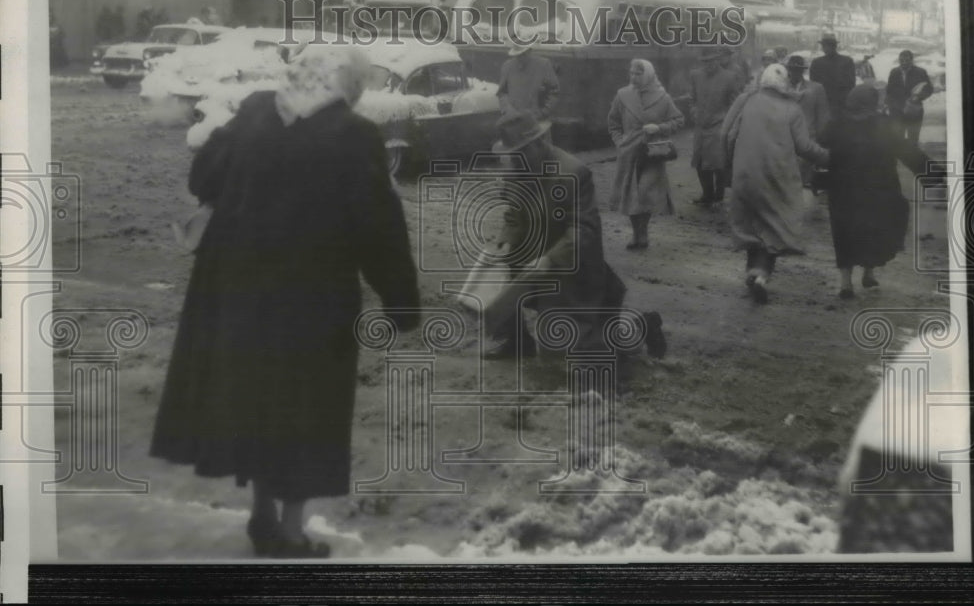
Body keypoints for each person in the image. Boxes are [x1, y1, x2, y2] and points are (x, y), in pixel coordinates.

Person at [150, 47, 421, 558]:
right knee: (307, 409)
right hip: (309, 296)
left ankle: (260, 517)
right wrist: (402, 304)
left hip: (236, 292)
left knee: (258, 402)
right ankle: (292, 533)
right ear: (345, 89)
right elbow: (379, 228)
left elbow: (201, 179)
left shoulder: (254, 109)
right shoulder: (353, 135)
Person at [487, 111, 649, 358]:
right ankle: (517, 341)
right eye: (512, 155)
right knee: (498, 273)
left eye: (519, 153)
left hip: (572, 264)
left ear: (539, 143)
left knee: (567, 349)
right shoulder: (516, 172)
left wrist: (549, 260)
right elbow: (514, 215)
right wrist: (504, 242)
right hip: (535, 257)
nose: (515, 161)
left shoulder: (574, 173)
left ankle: (635, 330)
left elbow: (584, 229)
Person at [723, 64, 829, 304]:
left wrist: (731, 164)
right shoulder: (792, 108)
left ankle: (753, 271)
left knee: (751, 226)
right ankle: (761, 275)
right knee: (774, 226)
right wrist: (828, 157)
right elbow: (804, 146)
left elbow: (728, 136)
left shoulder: (747, 101)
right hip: (777, 176)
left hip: (745, 173)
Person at [819, 84, 937, 299]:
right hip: (878, 189)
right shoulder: (884, 124)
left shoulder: (838, 123)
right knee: (873, 229)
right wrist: (934, 174)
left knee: (844, 232)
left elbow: (820, 142)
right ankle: (869, 272)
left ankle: (846, 284)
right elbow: (907, 150)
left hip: (844, 190)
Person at [607, 59, 685, 250]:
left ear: (648, 75)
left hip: (652, 153)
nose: (634, 77)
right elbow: (613, 122)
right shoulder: (622, 95)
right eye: (631, 73)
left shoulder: (662, 97)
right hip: (629, 153)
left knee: (645, 193)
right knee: (633, 195)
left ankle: (643, 232)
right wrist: (620, 142)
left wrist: (659, 127)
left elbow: (679, 120)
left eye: (638, 74)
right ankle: (638, 235)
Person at [689, 48, 742, 205]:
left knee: (719, 163)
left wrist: (727, 120)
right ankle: (707, 194)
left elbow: (735, 103)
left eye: (711, 61)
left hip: (719, 125)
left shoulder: (729, 77)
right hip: (701, 125)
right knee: (700, 162)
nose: (708, 65)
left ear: (718, 59)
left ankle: (718, 195)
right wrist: (693, 111)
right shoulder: (695, 75)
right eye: (705, 62)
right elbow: (692, 98)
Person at [785, 54, 830, 189]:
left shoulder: (816, 89)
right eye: (792, 69)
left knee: (804, 182)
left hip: (807, 140)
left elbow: (823, 116)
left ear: (803, 71)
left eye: (798, 70)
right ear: (788, 70)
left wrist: (820, 139)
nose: (795, 73)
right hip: (784, 139)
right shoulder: (780, 88)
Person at [496, 39, 560, 122]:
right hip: (513, 120)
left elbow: (554, 92)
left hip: (538, 121)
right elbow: (502, 93)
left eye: (523, 54)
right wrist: (508, 110)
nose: (520, 58)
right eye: (517, 55)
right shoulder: (507, 66)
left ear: (530, 51)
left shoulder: (544, 65)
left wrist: (543, 113)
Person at [885, 50, 933, 144]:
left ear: (912, 60)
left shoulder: (920, 72)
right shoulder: (894, 72)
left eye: (907, 60)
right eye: (901, 60)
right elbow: (889, 90)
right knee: (897, 140)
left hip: (914, 110)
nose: (904, 63)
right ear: (899, 60)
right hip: (897, 111)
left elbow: (929, 89)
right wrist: (887, 104)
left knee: (913, 139)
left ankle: (913, 156)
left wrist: (919, 97)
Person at [808, 32, 857, 119]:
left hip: (835, 104)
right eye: (824, 46)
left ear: (834, 46)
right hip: (833, 103)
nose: (824, 48)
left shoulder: (817, 62)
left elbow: (851, 84)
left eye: (826, 45)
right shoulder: (847, 61)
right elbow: (813, 84)